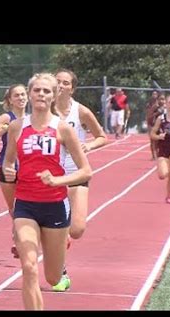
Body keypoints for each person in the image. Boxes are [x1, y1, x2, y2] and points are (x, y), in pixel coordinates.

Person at [3, 72, 92, 310]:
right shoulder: (16, 127)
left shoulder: (63, 129)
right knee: (29, 266)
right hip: (25, 205)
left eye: (46, 91)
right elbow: (8, 161)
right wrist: (9, 170)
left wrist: (58, 180)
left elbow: (86, 172)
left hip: (54, 206)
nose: (41, 94)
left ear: (54, 96)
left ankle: (60, 254)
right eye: (37, 90)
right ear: (30, 94)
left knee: (52, 278)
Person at [51, 68, 107, 292]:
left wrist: (89, 145)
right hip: (53, 178)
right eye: (58, 82)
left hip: (76, 174)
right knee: (60, 230)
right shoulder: (45, 111)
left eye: (65, 83)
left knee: (77, 229)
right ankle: (61, 272)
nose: (61, 86)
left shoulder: (81, 111)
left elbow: (102, 136)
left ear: (72, 88)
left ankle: (63, 235)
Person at [0, 84, 28, 258]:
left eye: (23, 94)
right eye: (17, 95)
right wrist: (7, 127)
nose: (21, 98)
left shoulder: (34, 118)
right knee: (14, 209)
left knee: (25, 206)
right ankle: (18, 237)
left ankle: (19, 241)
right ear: (10, 100)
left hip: (27, 168)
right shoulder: (6, 117)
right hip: (8, 167)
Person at [145, 90, 160, 160]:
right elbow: (148, 114)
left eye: (155, 94)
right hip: (151, 123)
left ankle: (158, 153)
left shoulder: (160, 103)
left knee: (158, 140)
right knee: (152, 140)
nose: (154, 95)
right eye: (153, 94)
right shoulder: (149, 104)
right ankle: (153, 156)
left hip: (159, 123)